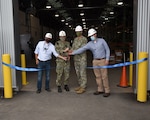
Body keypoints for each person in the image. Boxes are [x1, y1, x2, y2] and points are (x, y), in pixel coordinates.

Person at [69, 28, 111, 97]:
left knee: (104, 76)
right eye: (90, 36)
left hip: (102, 60)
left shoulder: (102, 41)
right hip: (95, 61)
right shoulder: (90, 44)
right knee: (97, 76)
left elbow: (107, 50)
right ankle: (100, 89)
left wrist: (107, 59)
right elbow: (82, 49)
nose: (91, 37)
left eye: (92, 35)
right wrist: (73, 53)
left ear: (95, 34)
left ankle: (107, 91)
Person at [71, 25, 87, 94]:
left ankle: (83, 87)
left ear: (81, 32)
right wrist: (69, 51)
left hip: (82, 59)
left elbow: (82, 49)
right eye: (76, 32)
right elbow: (73, 47)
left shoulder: (84, 39)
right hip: (76, 59)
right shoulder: (75, 39)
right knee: (78, 73)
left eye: (78, 32)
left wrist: (73, 52)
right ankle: (80, 85)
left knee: (82, 73)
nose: (77, 33)